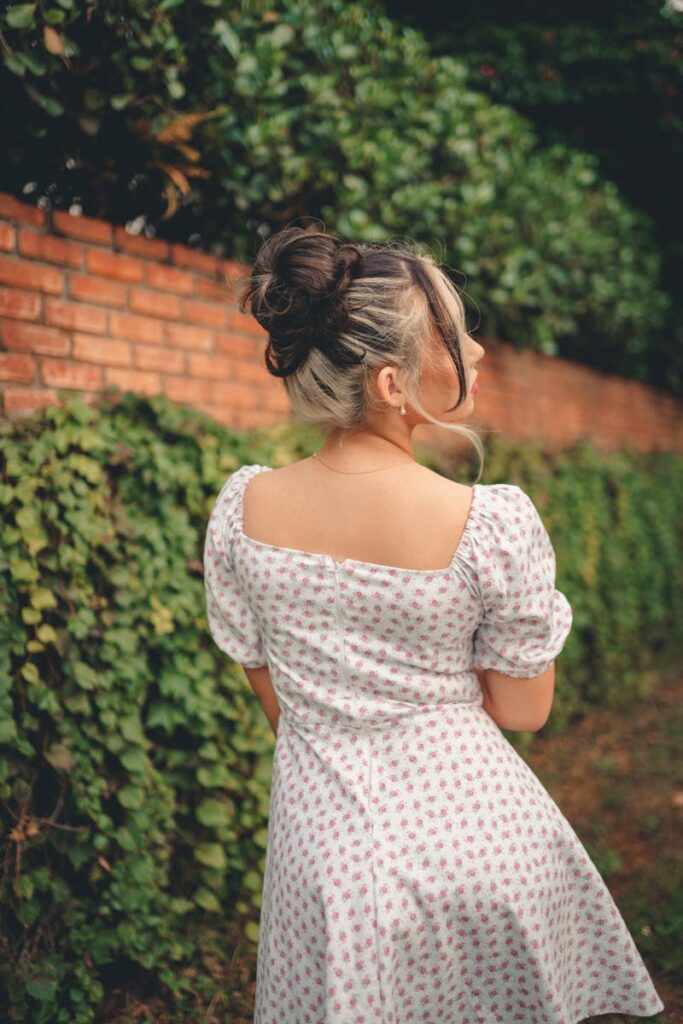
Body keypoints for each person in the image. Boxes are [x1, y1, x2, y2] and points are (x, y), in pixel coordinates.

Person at [203, 227, 665, 1024]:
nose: (479, 353)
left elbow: (281, 702)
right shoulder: (490, 523)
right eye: (456, 338)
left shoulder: (242, 514)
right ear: (389, 382)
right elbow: (523, 710)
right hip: (485, 843)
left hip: (328, 863)